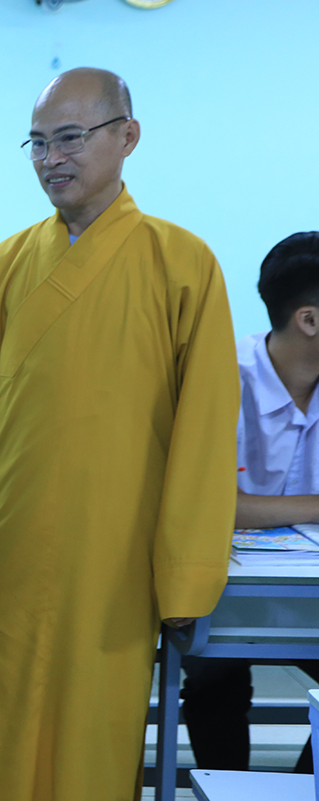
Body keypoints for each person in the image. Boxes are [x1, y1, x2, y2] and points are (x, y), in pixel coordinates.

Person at [0, 67, 240, 801]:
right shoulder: (5, 265)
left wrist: (184, 573)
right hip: (6, 550)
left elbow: (204, 431)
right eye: (38, 143)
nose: (52, 159)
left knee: (91, 742)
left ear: (127, 137)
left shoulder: (183, 263)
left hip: (114, 557)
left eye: (70, 138)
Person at [180, 231, 319, 773]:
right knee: (213, 674)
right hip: (221, 590)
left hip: (310, 591)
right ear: (309, 320)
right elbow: (214, 506)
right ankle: (230, 789)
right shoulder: (221, 377)